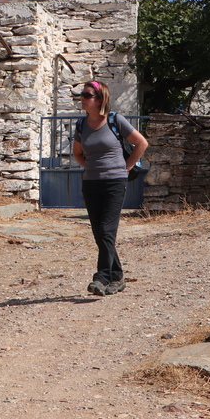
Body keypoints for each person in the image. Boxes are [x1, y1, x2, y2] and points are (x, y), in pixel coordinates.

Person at [72, 80, 148, 296]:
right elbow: (77, 153)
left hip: (115, 182)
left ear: (99, 99)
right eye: (82, 95)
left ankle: (101, 277)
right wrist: (91, 167)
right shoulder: (81, 125)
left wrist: (127, 167)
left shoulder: (115, 120)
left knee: (106, 231)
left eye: (87, 95)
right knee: (100, 234)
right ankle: (117, 276)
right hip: (91, 183)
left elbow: (141, 143)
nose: (82, 98)